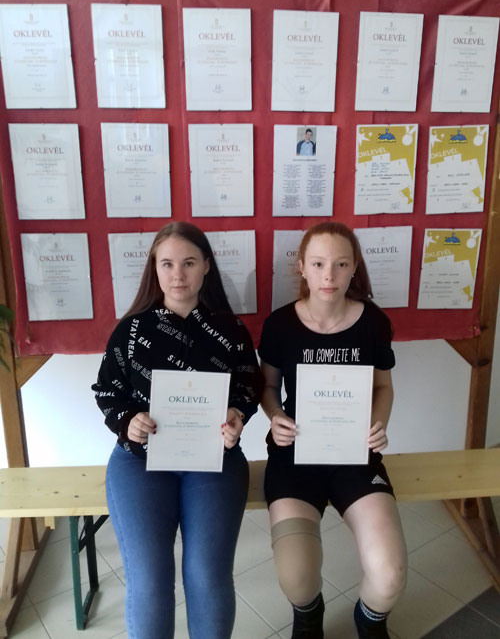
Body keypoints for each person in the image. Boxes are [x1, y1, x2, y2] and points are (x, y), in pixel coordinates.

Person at [92, 221, 261, 639]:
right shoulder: (131, 330)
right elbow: (107, 391)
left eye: (188, 263)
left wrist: (237, 416)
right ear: (155, 267)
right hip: (139, 463)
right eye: (167, 264)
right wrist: (127, 421)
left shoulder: (231, 330)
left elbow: (248, 387)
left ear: (206, 265)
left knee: (207, 574)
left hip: (215, 460)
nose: (178, 274)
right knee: (149, 578)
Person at [258, 222, 407, 639]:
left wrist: (379, 424)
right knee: (296, 576)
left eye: (341, 264)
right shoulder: (280, 325)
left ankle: (370, 620)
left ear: (354, 267)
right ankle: (309, 617)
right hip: (294, 457)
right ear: (302, 267)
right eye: (319, 264)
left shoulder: (373, 322)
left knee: (390, 573)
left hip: (354, 456)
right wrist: (275, 417)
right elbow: (267, 387)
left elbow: (383, 386)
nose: (329, 276)